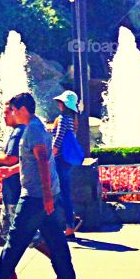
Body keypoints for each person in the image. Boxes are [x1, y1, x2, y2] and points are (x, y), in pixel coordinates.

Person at [0, 92, 81, 279]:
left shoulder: (32, 130)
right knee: (56, 241)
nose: (11, 113)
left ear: (22, 110)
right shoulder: (36, 126)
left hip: (35, 196)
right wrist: (13, 170)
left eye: (13, 109)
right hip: (43, 195)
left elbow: (41, 160)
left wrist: (47, 196)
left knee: (15, 239)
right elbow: (32, 160)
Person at [0, 102, 52, 279]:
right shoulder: (25, 130)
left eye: (8, 112)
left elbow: (14, 159)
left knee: (28, 237)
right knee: (7, 236)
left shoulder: (22, 132)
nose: (4, 116)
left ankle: (59, 265)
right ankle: (8, 274)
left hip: (18, 193)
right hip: (13, 192)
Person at [50, 90, 84, 239]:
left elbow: (58, 139)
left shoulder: (63, 118)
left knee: (61, 192)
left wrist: (49, 155)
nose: (58, 104)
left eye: (61, 102)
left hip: (60, 158)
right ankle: (72, 219)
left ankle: (70, 226)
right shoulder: (72, 118)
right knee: (63, 192)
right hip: (66, 159)